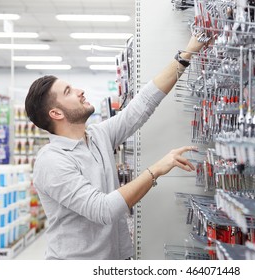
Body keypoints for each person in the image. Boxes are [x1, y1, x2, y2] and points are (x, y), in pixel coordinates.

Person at [24, 34, 206, 260]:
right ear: (56, 113)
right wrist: (156, 169)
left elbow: (142, 104)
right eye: (68, 91)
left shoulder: (97, 136)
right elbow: (103, 209)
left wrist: (186, 54)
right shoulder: (51, 161)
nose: (80, 90)